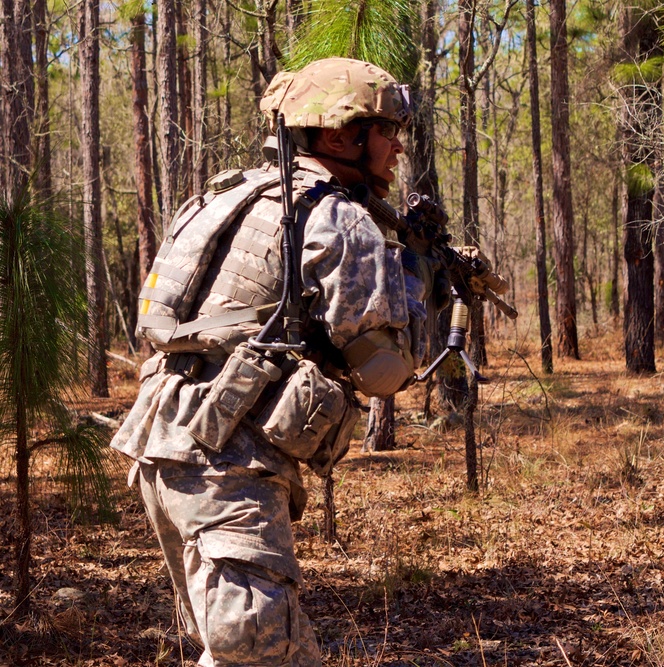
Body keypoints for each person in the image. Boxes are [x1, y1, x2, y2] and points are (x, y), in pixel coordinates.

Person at [111, 57, 432, 666]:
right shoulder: (338, 218)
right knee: (265, 655)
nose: (397, 147)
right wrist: (416, 285)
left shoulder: (224, 197)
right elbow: (383, 372)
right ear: (341, 135)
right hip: (227, 468)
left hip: (163, 445)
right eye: (388, 130)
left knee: (230, 649)